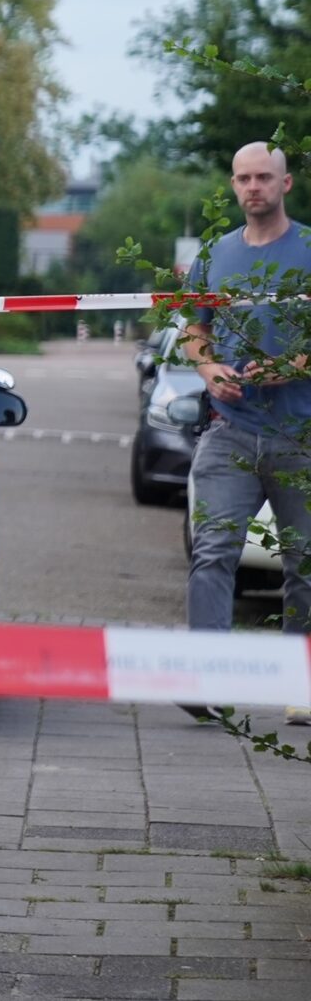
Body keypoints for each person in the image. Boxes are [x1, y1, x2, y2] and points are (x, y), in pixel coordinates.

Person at [182, 141, 311, 727]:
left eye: (264, 177)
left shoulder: (308, 250)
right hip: (229, 432)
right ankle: (206, 679)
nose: (253, 187)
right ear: (233, 186)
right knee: (213, 553)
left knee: (303, 562)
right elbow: (193, 328)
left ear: (285, 184)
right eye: (243, 178)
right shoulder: (215, 255)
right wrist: (210, 370)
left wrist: (294, 366)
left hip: (298, 436)